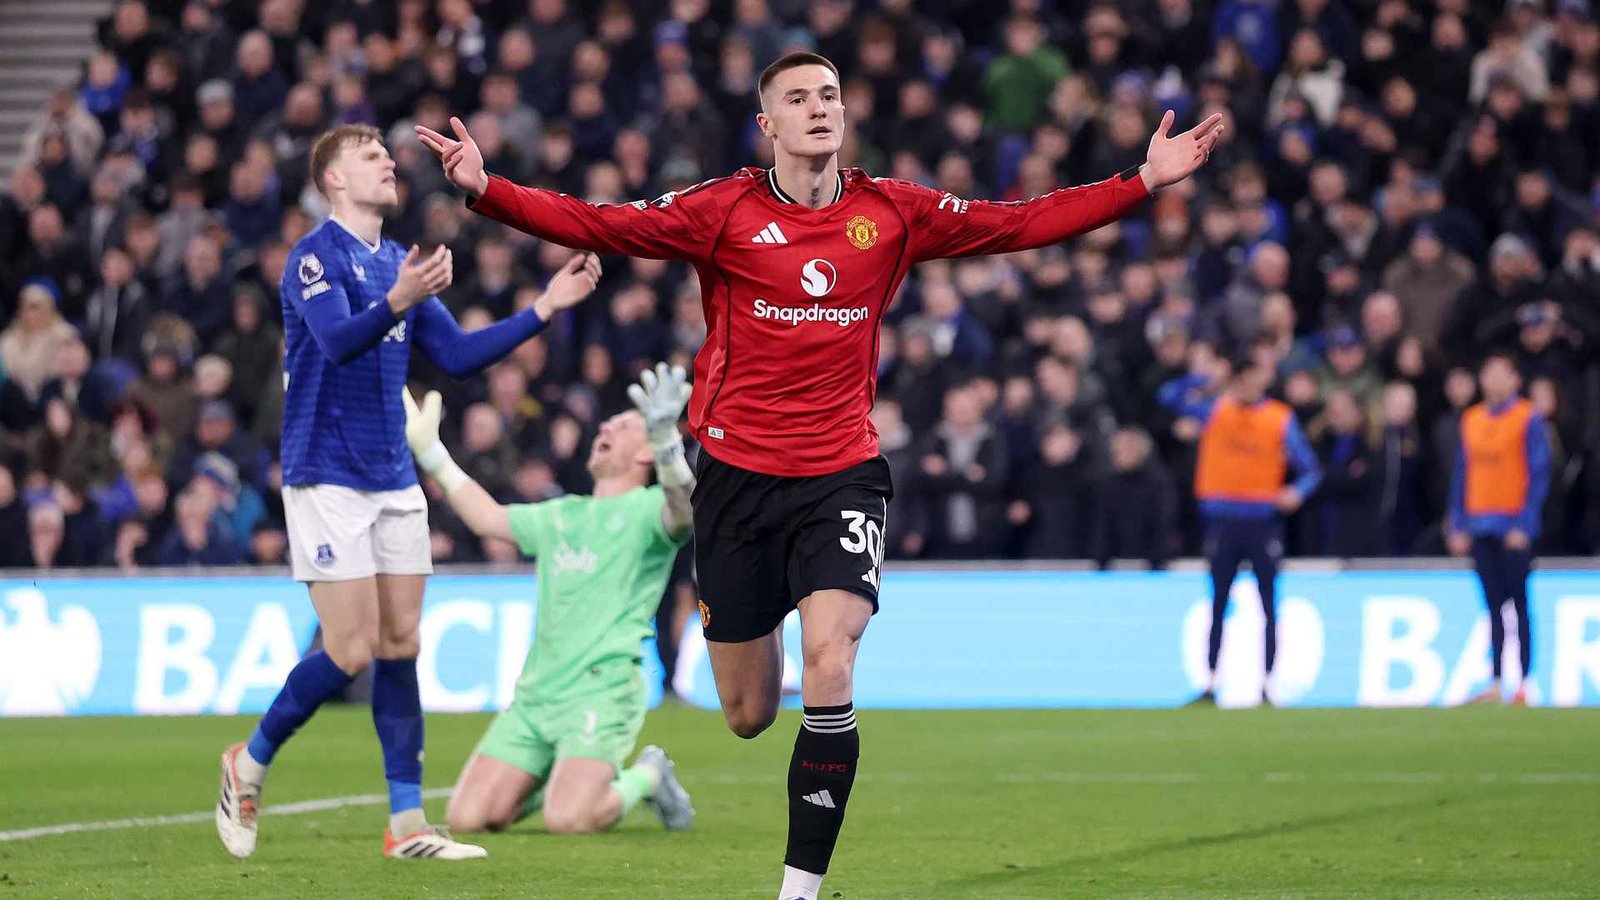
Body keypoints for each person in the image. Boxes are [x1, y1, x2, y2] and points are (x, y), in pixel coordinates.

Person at [417, 51, 1223, 899]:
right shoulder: (721, 210)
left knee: (830, 661)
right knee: (747, 714)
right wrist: (487, 189)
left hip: (842, 472)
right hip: (733, 480)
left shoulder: (892, 212)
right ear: (767, 124)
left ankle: (798, 891)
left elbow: (1016, 222)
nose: (817, 109)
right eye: (797, 99)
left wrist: (1140, 182)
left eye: (829, 95)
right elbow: (602, 223)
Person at [214, 123, 603, 863]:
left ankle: (406, 824)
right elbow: (335, 342)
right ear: (333, 180)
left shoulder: (400, 261)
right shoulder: (313, 259)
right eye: (371, 157)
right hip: (324, 472)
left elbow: (455, 356)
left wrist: (545, 307)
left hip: (393, 474)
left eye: (388, 157)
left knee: (401, 643)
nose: (390, 164)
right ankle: (250, 760)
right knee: (351, 646)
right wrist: (398, 298)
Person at [401, 365, 695, 836]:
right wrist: (433, 454)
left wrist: (667, 444)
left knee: (569, 819)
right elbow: (488, 518)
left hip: (602, 688)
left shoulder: (647, 511)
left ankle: (648, 774)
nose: (604, 427)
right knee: (468, 818)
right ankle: (564, 777)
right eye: (607, 423)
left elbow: (684, 510)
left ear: (643, 452)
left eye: (621, 426)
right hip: (538, 693)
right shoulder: (562, 514)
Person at [1160, 353, 1322, 706]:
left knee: (1268, 604)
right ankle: (1211, 681)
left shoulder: (1279, 418)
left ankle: (1267, 684)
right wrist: (1205, 380)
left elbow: (1311, 469)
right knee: (1218, 602)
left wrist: (1296, 492)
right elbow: (1168, 397)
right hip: (1223, 519)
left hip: (1262, 520)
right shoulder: (1217, 409)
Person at [1447, 352, 1550, 706]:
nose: (1492, 379)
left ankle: (1523, 682)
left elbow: (1538, 475)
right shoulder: (1471, 419)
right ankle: (1494, 680)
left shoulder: (1527, 418)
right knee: (1492, 606)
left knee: (1519, 604)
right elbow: (1462, 473)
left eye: (1499, 372)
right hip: (1480, 525)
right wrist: (1458, 521)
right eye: (1487, 372)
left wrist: (1525, 522)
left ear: (1515, 379)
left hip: (1512, 525)